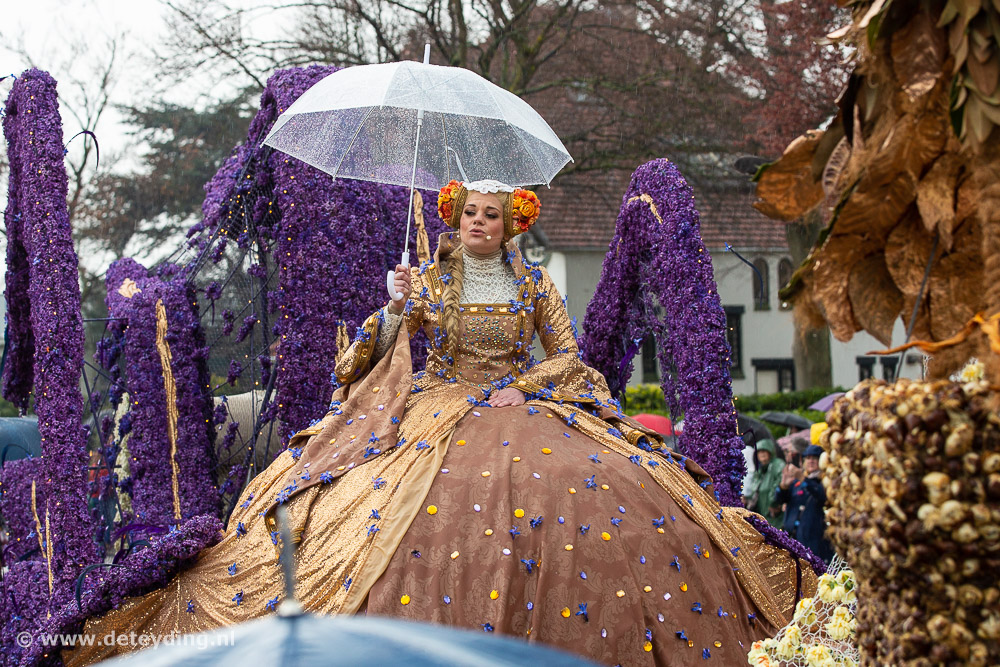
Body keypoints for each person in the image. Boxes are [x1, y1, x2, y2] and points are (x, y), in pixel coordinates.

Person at [65, 180, 814, 666]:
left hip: (527, 405)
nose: (482, 223)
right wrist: (395, 304)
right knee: (378, 513)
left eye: (494, 214)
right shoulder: (431, 279)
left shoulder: (533, 282)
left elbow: (569, 353)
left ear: (511, 221)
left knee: (600, 498)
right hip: (438, 402)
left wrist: (526, 387)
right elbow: (378, 347)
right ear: (456, 219)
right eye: (471, 214)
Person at [773, 444, 834, 563]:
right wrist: (783, 486)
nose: (811, 461)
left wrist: (803, 479)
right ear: (803, 461)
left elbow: (822, 496)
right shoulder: (796, 482)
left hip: (815, 543)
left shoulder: (825, 481)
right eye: (808, 458)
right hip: (794, 540)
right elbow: (778, 500)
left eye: (815, 458)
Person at [742, 439, 784, 528]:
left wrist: (775, 502)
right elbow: (755, 491)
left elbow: (779, 485)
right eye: (759, 452)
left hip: (774, 515)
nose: (762, 454)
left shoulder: (777, 465)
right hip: (763, 515)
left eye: (764, 450)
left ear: (770, 451)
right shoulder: (760, 471)